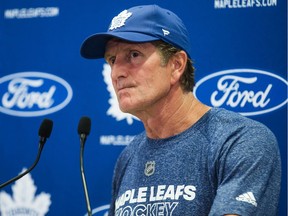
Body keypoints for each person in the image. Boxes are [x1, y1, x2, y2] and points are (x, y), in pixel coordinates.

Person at [80, 4, 281, 216]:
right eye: (112, 60)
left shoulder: (240, 141)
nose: (116, 73)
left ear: (176, 65)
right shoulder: (128, 157)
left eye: (134, 54)